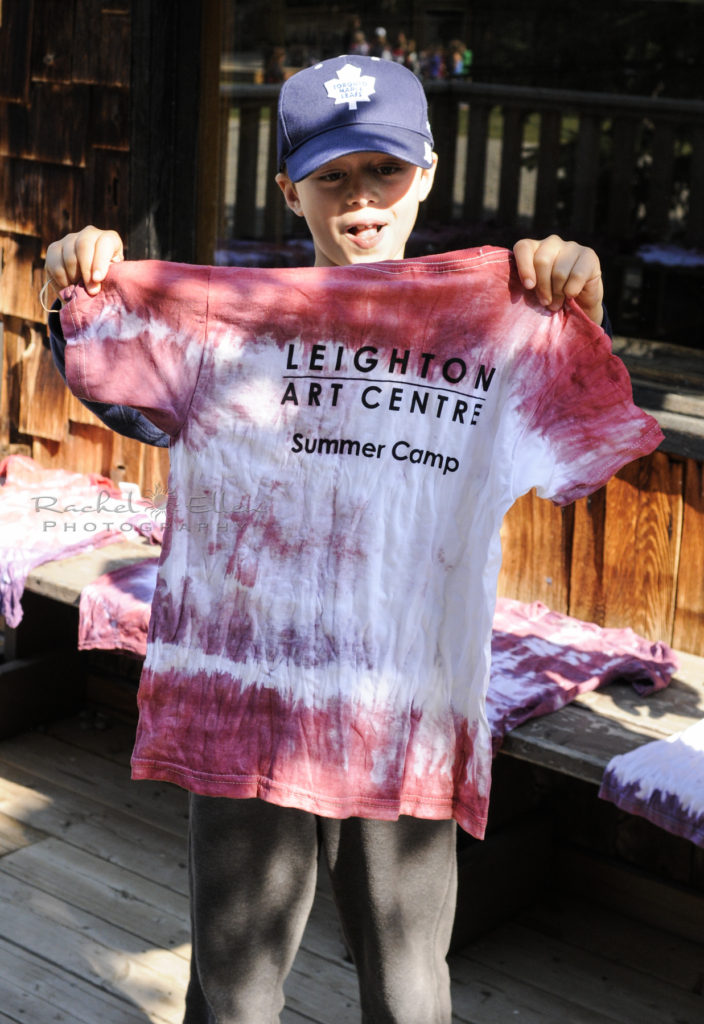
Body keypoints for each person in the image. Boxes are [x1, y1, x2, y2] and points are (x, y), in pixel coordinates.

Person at [45, 56, 658, 1024]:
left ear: (427, 169)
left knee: (409, 985)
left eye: (383, 171)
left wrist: (578, 302)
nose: (361, 201)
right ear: (290, 188)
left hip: (405, 690)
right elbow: (124, 396)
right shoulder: (226, 327)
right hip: (243, 683)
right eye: (332, 177)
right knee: (235, 990)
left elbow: (579, 421)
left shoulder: (497, 320)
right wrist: (76, 290)